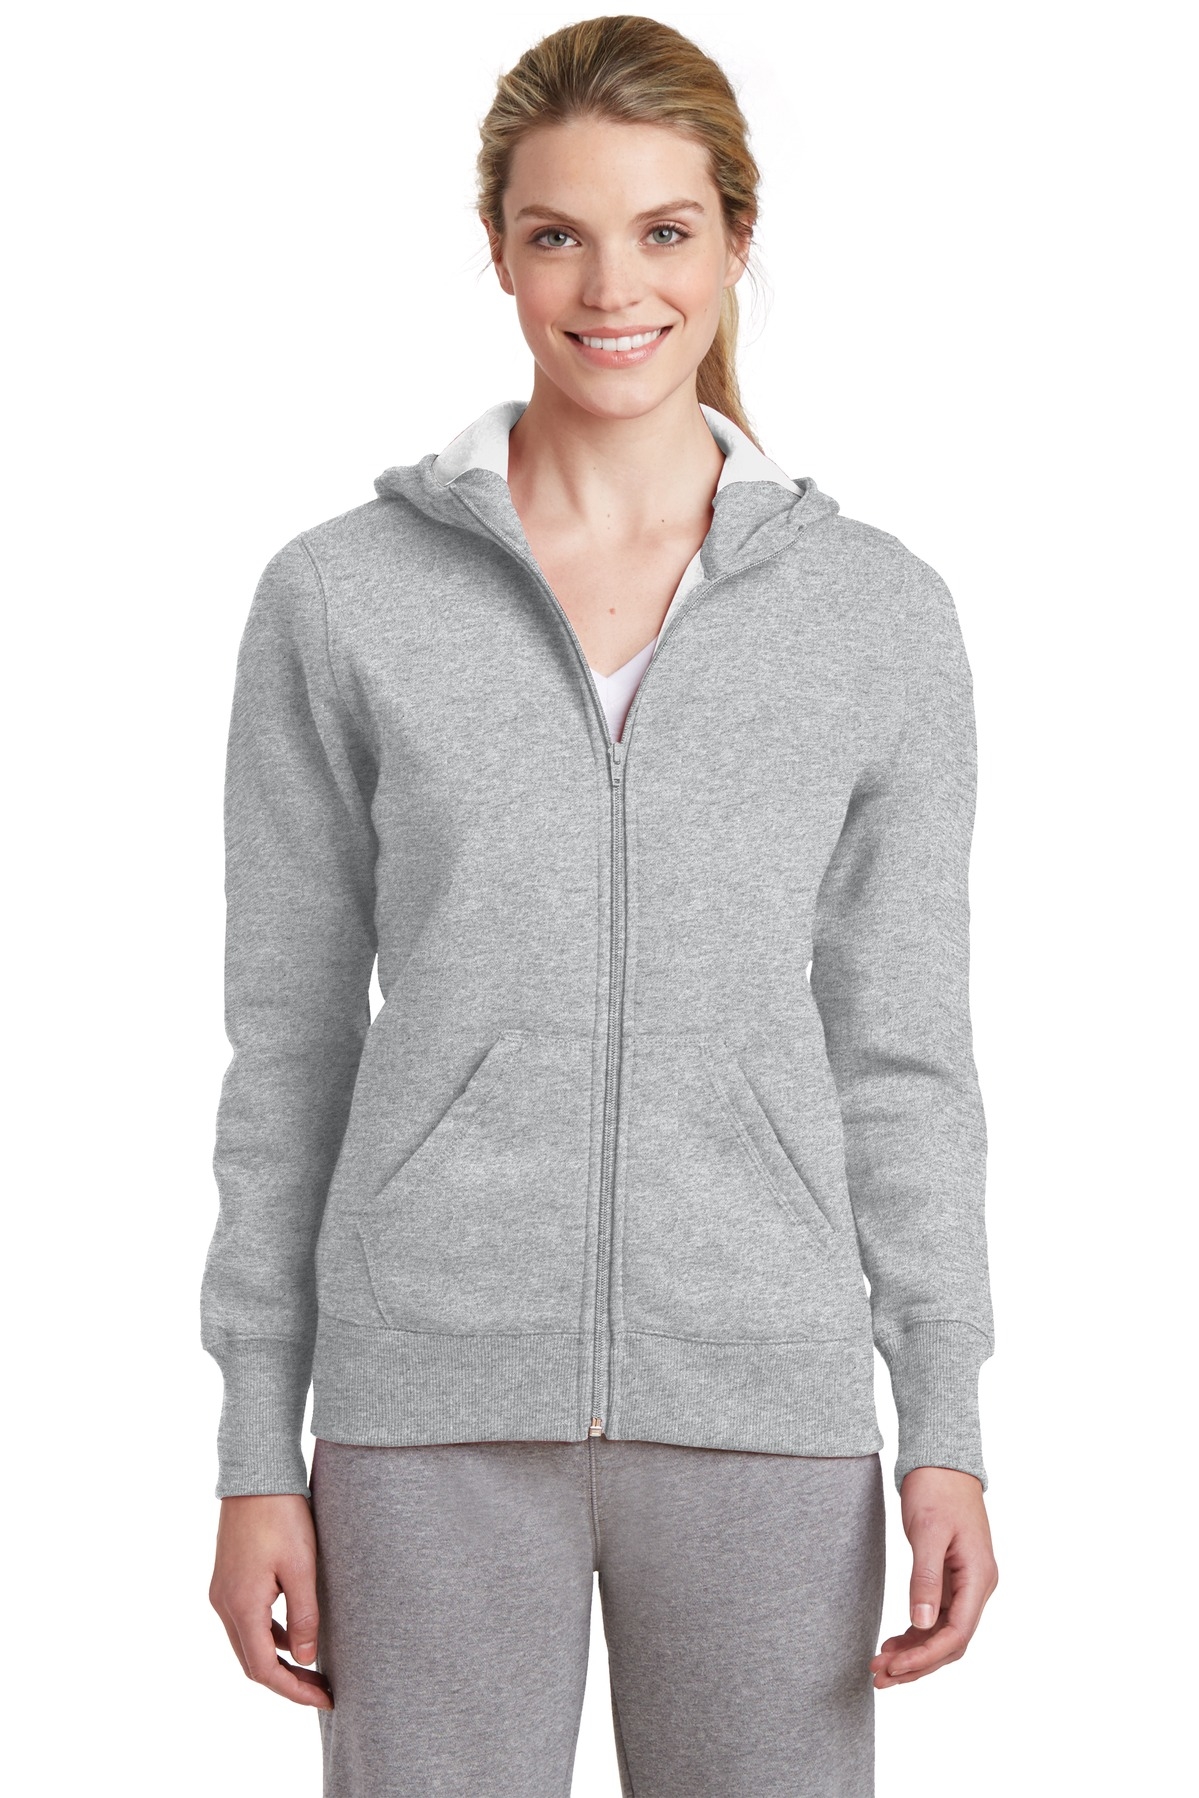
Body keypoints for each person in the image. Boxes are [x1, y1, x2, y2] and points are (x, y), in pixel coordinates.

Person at [203, 14, 999, 1795]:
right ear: (498, 250)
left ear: (733, 244)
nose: (612, 287)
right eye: (559, 232)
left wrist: (942, 1419)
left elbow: (903, 1057)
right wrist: (258, 1444)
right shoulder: (344, 599)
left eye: (664, 230)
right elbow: (289, 1050)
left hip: (763, 1405)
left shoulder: (875, 616)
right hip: (426, 1409)